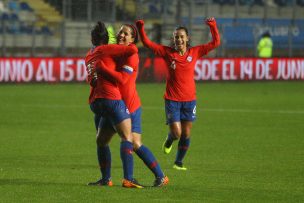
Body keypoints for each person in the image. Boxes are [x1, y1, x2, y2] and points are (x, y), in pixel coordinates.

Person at [136, 17, 220, 170]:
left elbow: (215, 43)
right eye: (176, 37)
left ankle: (178, 162)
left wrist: (213, 26)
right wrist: (140, 27)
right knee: (176, 133)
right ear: (173, 39)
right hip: (172, 100)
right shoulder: (167, 53)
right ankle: (169, 140)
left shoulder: (195, 52)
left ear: (187, 38)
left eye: (182, 36)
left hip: (190, 100)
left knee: (186, 133)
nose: (179, 39)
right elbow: (148, 43)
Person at [91, 23, 169, 187]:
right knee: (101, 141)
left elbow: (123, 80)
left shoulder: (131, 55)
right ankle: (106, 179)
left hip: (130, 106)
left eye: (126, 34)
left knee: (134, 143)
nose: (121, 36)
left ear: (133, 39)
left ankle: (159, 176)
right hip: (114, 105)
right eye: (120, 32)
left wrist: (102, 70)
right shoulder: (115, 51)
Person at [85, 21, 143, 188]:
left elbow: (91, 80)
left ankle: (105, 179)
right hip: (112, 99)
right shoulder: (107, 49)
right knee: (127, 138)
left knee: (101, 141)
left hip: (95, 103)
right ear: (108, 38)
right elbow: (133, 49)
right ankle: (128, 178)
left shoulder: (89, 55)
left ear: (91, 38)